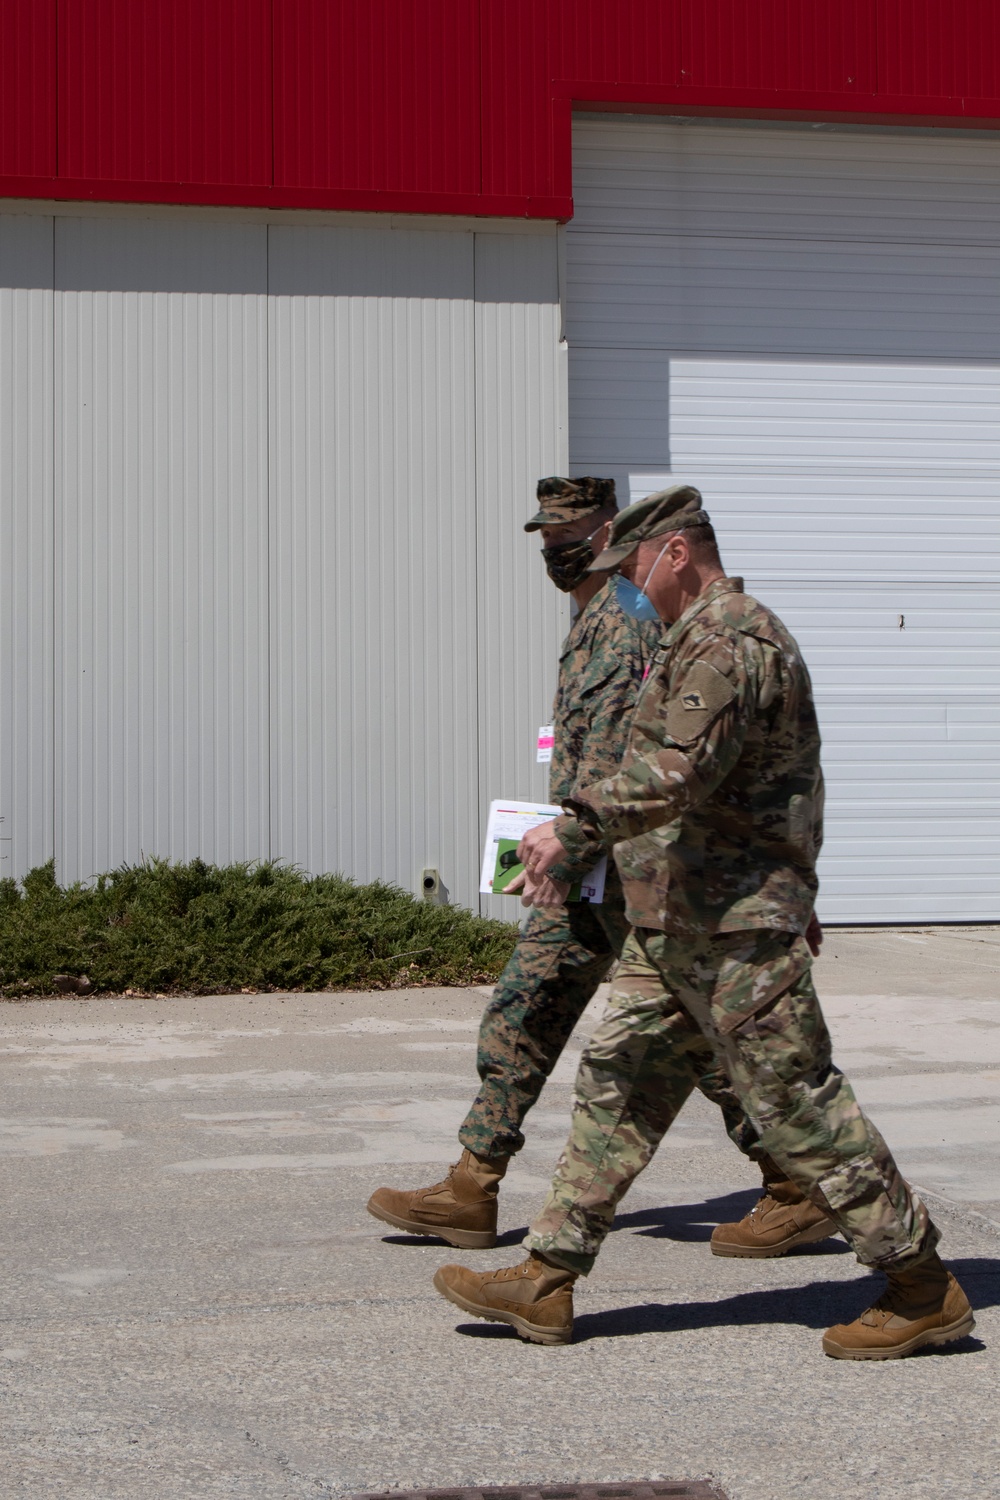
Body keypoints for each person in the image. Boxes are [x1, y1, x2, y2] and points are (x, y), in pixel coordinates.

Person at [432, 485, 975, 1360]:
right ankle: (546, 1276)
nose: (626, 585)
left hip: (733, 928)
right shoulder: (691, 638)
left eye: (634, 566)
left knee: (796, 1103)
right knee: (615, 1089)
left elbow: (676, 772)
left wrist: (573, 826)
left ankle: (920, 1285)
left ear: (676, 553)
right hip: (678, 919)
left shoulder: (731, 639)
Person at [368, 477, 826, 1253]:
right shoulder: (590, 614)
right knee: (533, 1007)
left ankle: (798, 1184)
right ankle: (474, 1185)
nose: (555, 550)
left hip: (635, 860)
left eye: (568, 535)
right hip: (592, 860)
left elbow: (662, 755)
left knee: (702, 1038)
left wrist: (576, 838)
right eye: (545, 540)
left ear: (611, 529)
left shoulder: (639, 616)